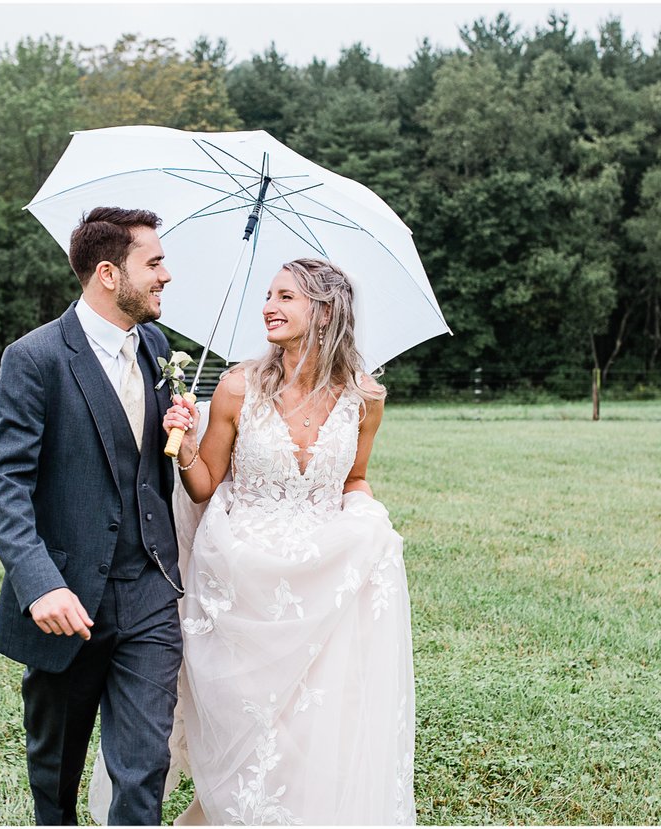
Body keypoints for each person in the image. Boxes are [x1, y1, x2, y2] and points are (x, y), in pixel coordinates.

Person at [154, 257, 416, 824]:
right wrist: (185, 441)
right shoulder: (236, 386)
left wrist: (368, 521)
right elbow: (202, 487)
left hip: (325, 577)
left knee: (314, 720)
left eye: (286, 297)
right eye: (268, 296)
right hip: (241, 574)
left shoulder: (365, 397)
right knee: (252, 722)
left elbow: (354, 478)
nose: (269, 307)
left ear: (324, 312)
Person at [0, 206, 185, 825]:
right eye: (154, 262)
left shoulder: (156, 346)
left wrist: (177, 430)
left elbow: (148, 464)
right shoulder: (34, 358)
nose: (167, 275)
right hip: (68, 601)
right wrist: (40, 585)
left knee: (144, 770)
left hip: (149, 590)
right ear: (108, 274)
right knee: (56, 776)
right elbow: (0, 481)